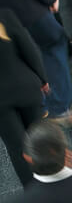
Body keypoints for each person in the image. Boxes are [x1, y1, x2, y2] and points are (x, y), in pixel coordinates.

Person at [0, 9, 48, 185]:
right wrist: (42, 79)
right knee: (41, 137)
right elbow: (29, 49)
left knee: (18, 149)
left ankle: (34, 192)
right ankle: (55, 181)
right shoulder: (5, 15)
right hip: (26, 88)